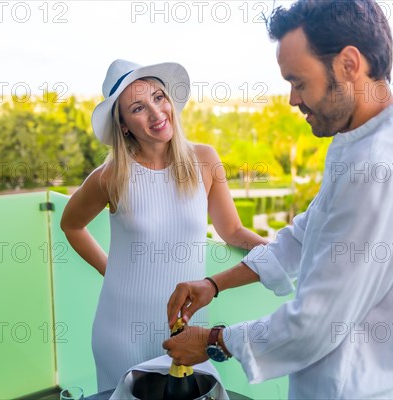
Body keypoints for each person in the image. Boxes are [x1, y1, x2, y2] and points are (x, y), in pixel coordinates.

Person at [163, 1, 393, 398]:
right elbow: (303, 236)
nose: (292, 100)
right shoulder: (362, 145)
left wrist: (213, 341)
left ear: (349, 64)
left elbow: (316, 323)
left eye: (298, 82)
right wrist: (214, 283)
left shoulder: (380, 168)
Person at [60, 59, 268, 391]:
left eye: (159, 97)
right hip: (121, 328)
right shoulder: (110, 176)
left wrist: (283, 253)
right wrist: (109, 270)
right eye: (139, 107)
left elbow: (231, 231)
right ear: (124, 124)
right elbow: (71, 224)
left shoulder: (204, 159)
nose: (157, 113)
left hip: (187, 327)